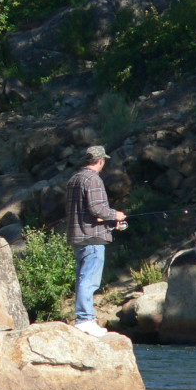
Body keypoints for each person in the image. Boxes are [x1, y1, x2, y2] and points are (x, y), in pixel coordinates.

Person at [65, 145, 126, 338]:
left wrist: (110, 223)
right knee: (89, 279)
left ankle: (84, 318)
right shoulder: (93, 179)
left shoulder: (74, 179)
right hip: (92, 237)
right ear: (100, 161)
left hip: (78, 236)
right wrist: (115, 215)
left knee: (83, 277)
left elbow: (87, 211)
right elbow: (97, 209)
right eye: (104, 161)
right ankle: (85, 319)